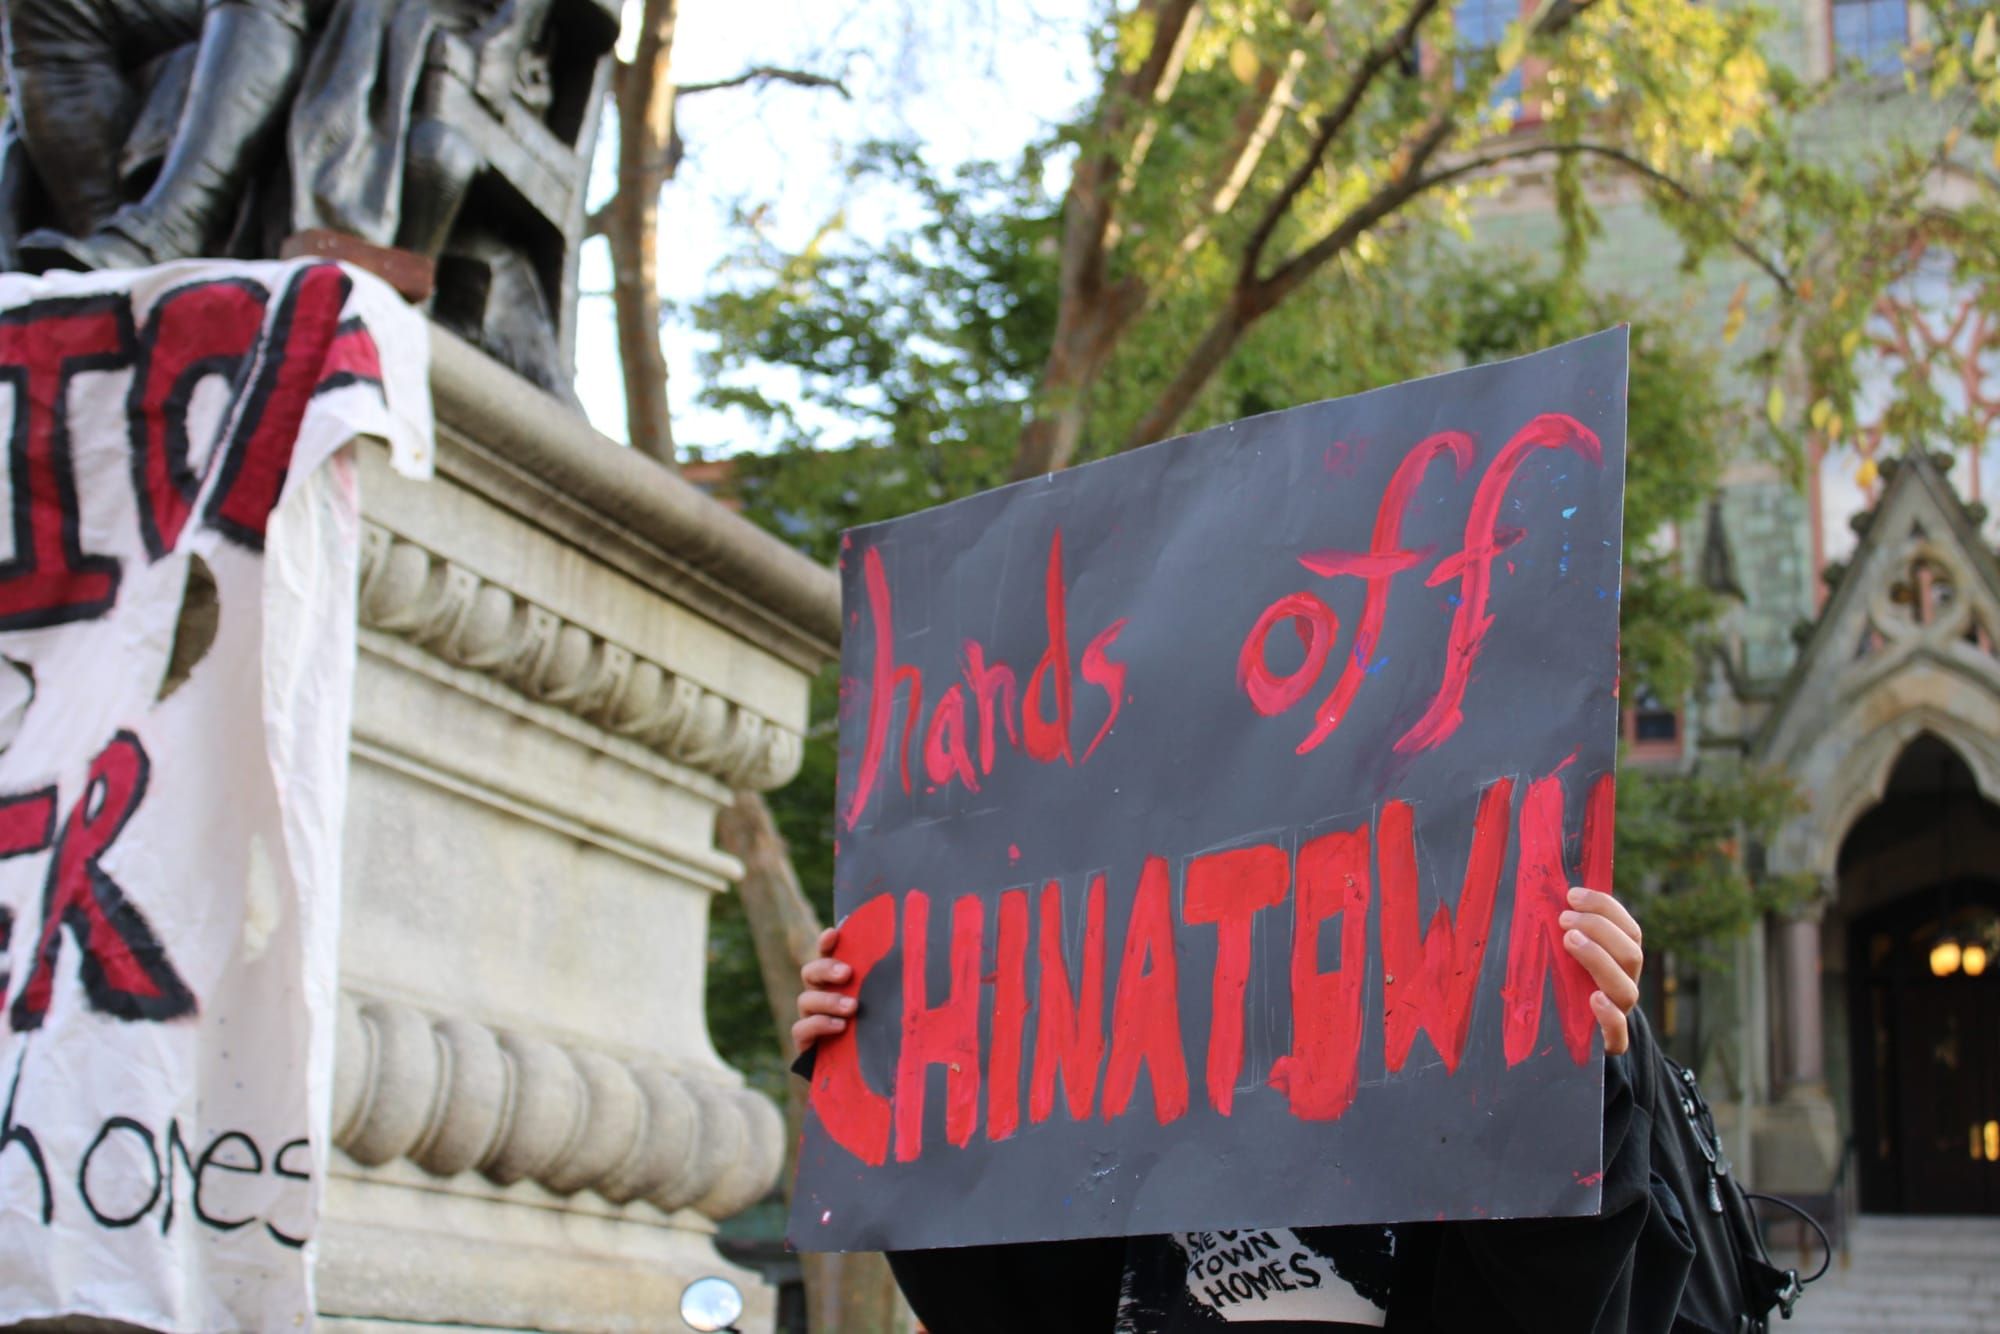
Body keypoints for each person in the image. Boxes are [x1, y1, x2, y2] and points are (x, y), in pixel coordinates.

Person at [793, 885, 1694, 1333]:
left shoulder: (1447, 1042)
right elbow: (993, 1306)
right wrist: (887, 1069)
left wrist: (1561, 1084)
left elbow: (1549, 1308)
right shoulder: (1123, 1054)